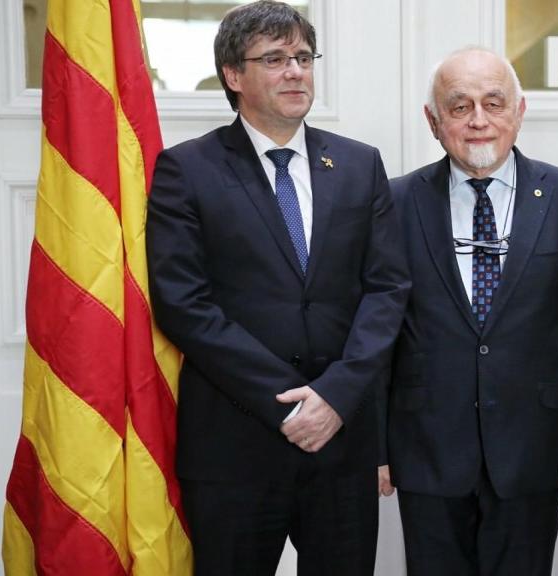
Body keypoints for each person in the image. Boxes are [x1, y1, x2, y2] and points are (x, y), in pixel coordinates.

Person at [145, 2, 409, 574]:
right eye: (274, 59)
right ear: (233, 76)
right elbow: (183, 304)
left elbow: (387, 290)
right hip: (235, 444)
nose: (295, 71)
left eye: (303, 57)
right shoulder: (186, 170)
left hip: (343, 441)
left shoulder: (361, 166)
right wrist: (290, 405)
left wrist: (335, 396)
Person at [381, 47, 558, 576]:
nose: (479, 121)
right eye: (459, 108)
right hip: (427, 450)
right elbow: (378, 335)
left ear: (520, 111)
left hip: (534, 451)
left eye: (493, 103)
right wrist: (375, 448)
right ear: (433, 122)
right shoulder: (395, 202)